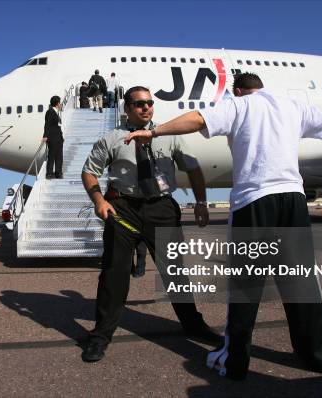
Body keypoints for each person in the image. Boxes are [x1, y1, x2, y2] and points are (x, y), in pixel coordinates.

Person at [125, 72, 322, 380]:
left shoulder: (238, 105)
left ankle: (235, 361)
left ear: (239, 90)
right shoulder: (292, 106)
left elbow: (196, 119)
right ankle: (317, 358)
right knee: (302, 281)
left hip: (254, 202)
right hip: (293, 200)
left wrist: (155, 132)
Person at [80, 85, 220, 363]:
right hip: (123, 209)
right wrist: (98, 201)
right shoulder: (112, 139)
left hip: (161, 208)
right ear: (127, 108)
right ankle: (101, 335)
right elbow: (89, 172)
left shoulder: (169, 137)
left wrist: (201, 203)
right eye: (139, 103)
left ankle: (193, 325)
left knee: (175, 273)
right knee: (114, 273)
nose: (146, 107)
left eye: (150, 103)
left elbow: (193, 169)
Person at [42, 95, 64, 179]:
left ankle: (58, 172)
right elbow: (47, 124)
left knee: (59, 156)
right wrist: (45, 136)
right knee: (51, 155)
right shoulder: (50, 112)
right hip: (52, 137)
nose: (61, 104)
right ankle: (49, 173)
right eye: (60, 102)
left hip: (59, 138)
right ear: (57, 103)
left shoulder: (56, 113)